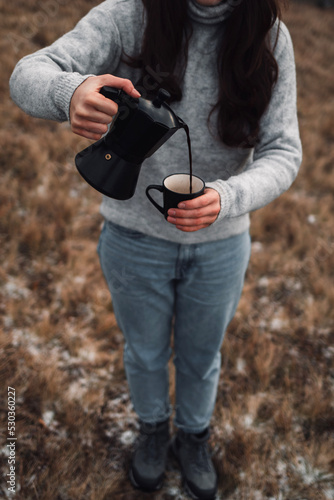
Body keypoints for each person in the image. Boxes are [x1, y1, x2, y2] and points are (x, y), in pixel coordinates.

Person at [9, 0, 302, 498]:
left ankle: (193, 437)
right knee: (144, 353)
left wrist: (228, 198)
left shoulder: (269, 37)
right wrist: (70, 90)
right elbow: (26, 73)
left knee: (201, 357)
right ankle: (151, 432)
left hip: (221, 247)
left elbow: (284, 150)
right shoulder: (129, 17)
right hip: (132, 240)